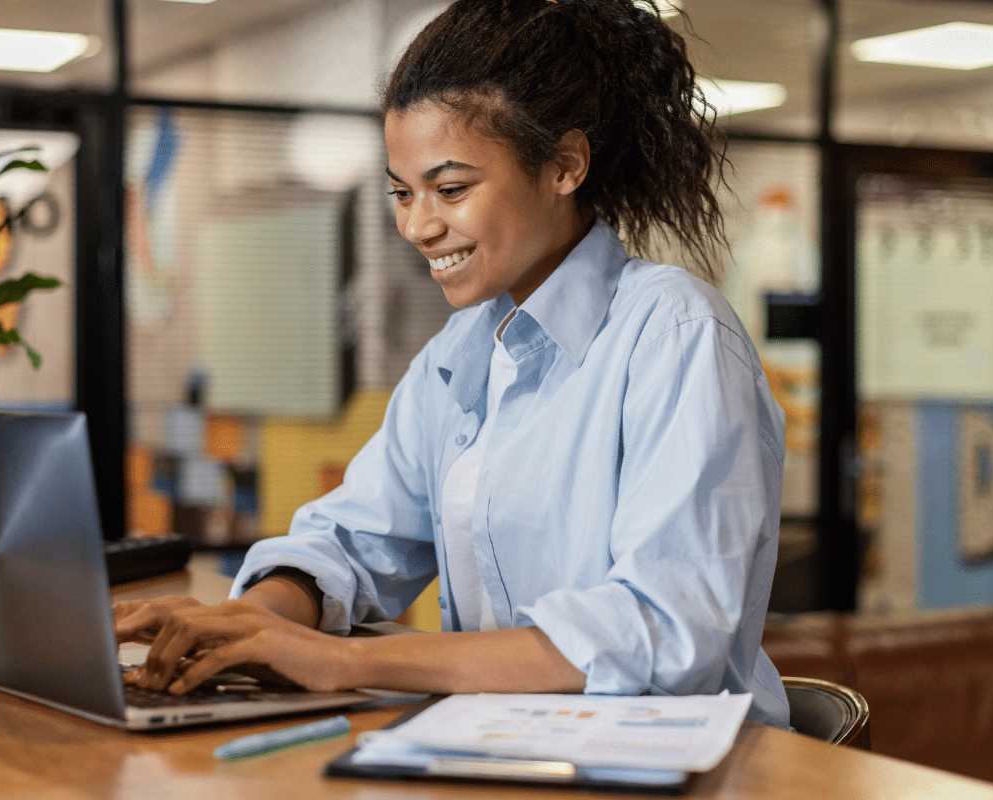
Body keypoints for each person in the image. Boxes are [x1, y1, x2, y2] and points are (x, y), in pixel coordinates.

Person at [116, 0, 790, 728]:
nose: (417, 225)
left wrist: (346, 663)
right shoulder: (460, 351)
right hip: (509, 746)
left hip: (678, 763)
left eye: (451, 189)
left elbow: (660, 632)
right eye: (401, 192)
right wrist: (255, 622)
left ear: (565, 166)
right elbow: (353, 538)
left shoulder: (675, 333)